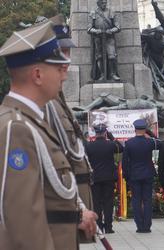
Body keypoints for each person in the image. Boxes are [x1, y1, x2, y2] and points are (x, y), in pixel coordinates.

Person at [0, 22, 96, 249]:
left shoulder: (30, 122)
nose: (64, 76)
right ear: (37, 75)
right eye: (59, 69)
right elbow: (23, 222)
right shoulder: (17, 129)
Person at [41, 14, 97, 243]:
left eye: (68, 51)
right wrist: (76, 209)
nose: (67, 59)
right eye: (62, 52)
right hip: (61, 213)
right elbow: (51, 165)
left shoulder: (57, 99)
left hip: (70, 209)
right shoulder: (46, 104)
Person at [122, 119, 160, 233]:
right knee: (147, 200)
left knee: (136, 200)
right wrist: (151, 134)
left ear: (134, 129)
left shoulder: (129, 143)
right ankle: (147, 226)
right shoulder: (150, 142)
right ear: (145, 130)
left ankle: (139, 225)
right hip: (148, 174)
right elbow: (160, 143)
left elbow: (125, 162)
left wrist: (126, 176)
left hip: (134, 175)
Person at [86, 124, 123, 233]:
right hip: (108, 178)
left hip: (95, 178)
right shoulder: (111, 144)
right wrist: (112, 137)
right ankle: (108, 227)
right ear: (105, 133)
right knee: (108, 202)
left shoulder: (89, 146)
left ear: (95, 133)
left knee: (96, 203)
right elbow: (121, 148)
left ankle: (99, 226)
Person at [88, 0, 120, 81]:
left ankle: (112, 74)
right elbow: (89, 29)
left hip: (109, 37)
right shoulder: (93, 13)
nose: (104, 4)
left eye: (105, 2)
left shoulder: (111, 12)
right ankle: (102, 74)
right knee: (99, 56)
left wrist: (111, 30)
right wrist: (96, 31)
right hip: (98, 38)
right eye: (102, 3)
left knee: (112, 56)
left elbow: (118, 27)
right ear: (98, 3)